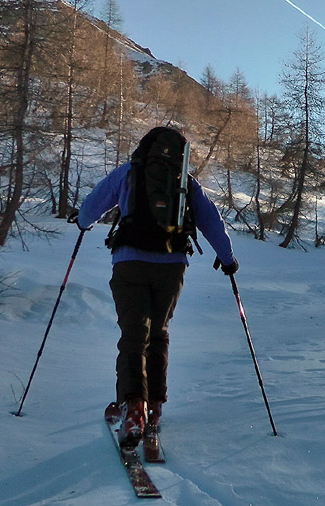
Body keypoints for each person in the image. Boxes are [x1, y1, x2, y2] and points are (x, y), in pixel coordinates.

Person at [73, 126, 239, 447]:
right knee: (159, 333)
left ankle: (134, 407)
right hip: (171, 267)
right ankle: (155, 407)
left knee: (134, 336)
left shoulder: (129, 173)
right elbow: (212, 222)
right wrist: (228, 259)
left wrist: (81, 221)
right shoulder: (184, 184)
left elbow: (91, 207)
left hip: (129, 263)